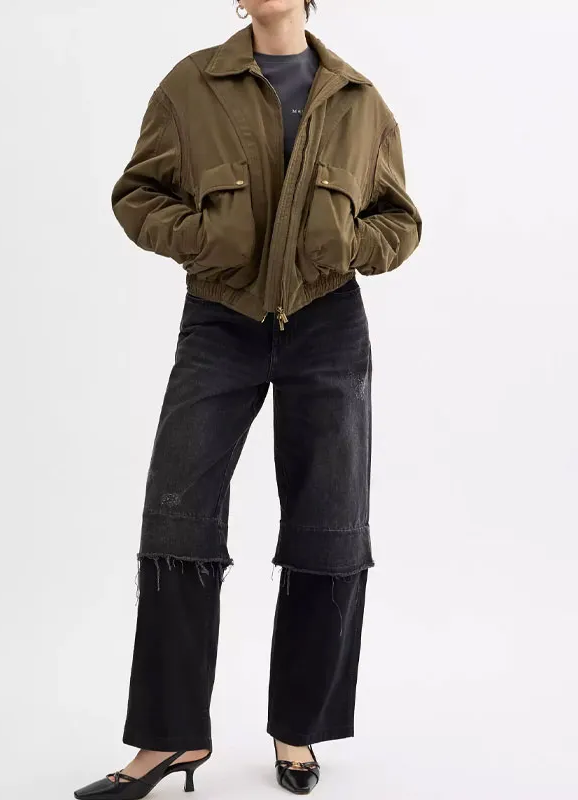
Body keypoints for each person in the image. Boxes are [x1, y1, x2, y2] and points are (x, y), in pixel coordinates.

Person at [74, 1, 422, 797]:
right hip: (219, 318)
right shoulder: (192, 84)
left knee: (329, 524)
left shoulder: (359, 101)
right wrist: (204, 241)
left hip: (328, 325)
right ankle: (168, 740)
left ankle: (298, 730)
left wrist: (350, 245)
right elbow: (137, 193)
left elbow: (400, 221)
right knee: (178, 518)